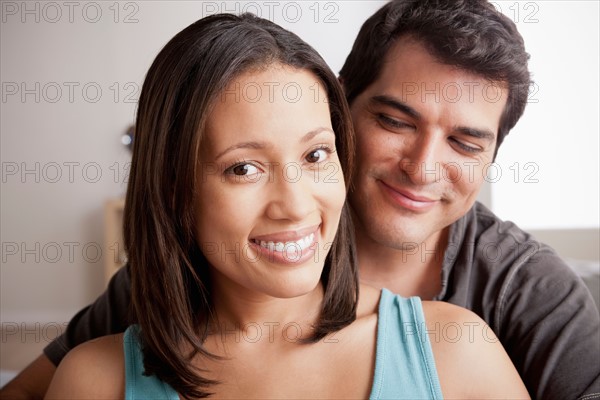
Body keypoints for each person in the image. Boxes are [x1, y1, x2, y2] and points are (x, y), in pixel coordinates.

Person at [1, 0, 598, 399]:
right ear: (345, 110)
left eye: (465, 142)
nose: (421, 167)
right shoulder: (129, 335)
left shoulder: (509, 306)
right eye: (395, 120)